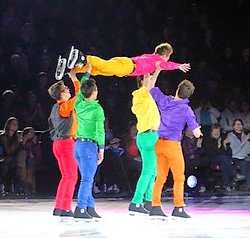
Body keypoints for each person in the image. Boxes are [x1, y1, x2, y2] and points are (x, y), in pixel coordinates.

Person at [147, 62, 202, 219]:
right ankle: (178, 207)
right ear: (188, 95)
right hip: (172, 146)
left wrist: (156, 69)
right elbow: (196, 132)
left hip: (159, 144)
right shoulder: (186, 109)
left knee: (161, 177)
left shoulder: (165, 101)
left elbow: (150, 87)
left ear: (178, 90)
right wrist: (199, 132)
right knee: (179, 177)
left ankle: (155, 205)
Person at [73, 63, 105, 220]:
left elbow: (80, 89)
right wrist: (102, 150)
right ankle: (80, 209)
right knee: (87, 179)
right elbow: (100, 131)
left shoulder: (79, 103)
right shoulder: (97, 109)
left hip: (78, 146)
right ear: (94, 92)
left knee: (87, 178)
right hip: (88, 147)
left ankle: (90, 207)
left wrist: (88, 73)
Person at [48, 67, 79, 218]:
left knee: (66, 176)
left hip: (58, 144)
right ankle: (65, 207)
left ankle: (59, 207)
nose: (68, 90)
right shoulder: (64, 106)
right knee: (71, 176)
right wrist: (74, 78)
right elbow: (79, 96)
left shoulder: (55, 107)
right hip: (66, 143)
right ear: (62, 94)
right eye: (66, 89)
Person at [60, 43, 190, 79]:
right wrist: (178, 66)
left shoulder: (150, 56)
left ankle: (73, 69)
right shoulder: (158, 60)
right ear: (165, 55)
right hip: (128, 67)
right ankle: (83, 58)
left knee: (98, 71)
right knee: (103, 66)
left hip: (126, 66)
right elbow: (166, 65)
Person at [128, 74, 160, 215]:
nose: (151, 80)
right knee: (148, 171)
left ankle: (148, 200)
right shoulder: (142, 93)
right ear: (142, 81)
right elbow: (150, 80)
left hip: (149, 135)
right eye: (148, 78)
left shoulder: (145, 95)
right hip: (148, 136)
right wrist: (152, 69)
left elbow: (152, 82)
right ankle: (136, 201)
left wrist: (158, 69)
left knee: (153, 172)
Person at [202, 124, 242, 192]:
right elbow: (211, 153)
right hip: (212, 158)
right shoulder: (208, 140)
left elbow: (228, 152)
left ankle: (226, 185)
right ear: (211, 132)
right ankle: (234, 174)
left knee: (224, 163)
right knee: (224, 158)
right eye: (215, 131)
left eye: (218, 131)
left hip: (223, 159)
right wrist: (219, 145)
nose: (216, 133)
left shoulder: (223, 139)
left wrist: (224, 145)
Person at [227, 119, 250, 191]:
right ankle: (236, 181)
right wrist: (243, 143)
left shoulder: (245, 135)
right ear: (233, 126)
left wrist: (243, 144)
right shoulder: (230, 136)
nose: (238, 126)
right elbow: (233, 151)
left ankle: (249, 184)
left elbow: (248, 151)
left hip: (244, 157)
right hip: (235, 158)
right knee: (243, 163)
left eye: (240, 124)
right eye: (236, 124)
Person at [0, 117, 27, 193]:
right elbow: (7, 151)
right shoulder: (3, 137)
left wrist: (23, 142)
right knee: (13, 163)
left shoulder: (17, 136)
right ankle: (14, 187)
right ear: (8, 125)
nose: (15, 125)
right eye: (13, 124)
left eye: (16, 124)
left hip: (15, 158)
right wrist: (17, 142)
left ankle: (19, 187)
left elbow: (20, 149)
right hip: (5, 157)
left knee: (19, 162)